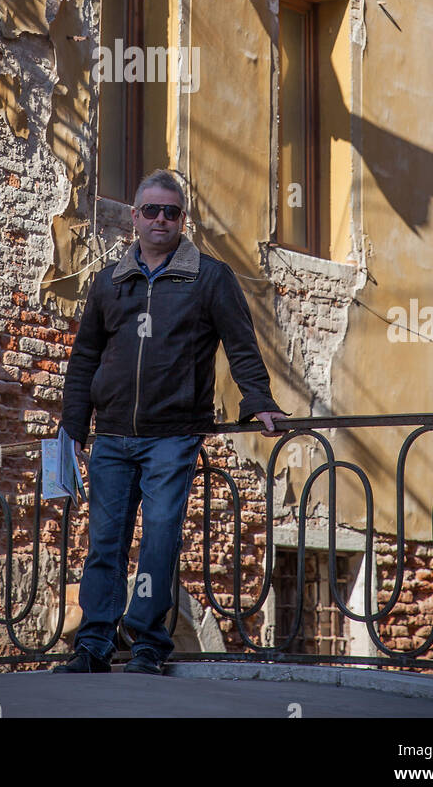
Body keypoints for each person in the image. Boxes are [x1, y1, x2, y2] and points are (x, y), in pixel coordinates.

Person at [53, 168, 285, 675]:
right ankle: (93, 644)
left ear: (183, 220)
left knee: (160, 539)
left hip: (172, 437)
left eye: (171, 212)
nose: (161, 219)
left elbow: (241, 345)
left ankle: (148, 644)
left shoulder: (209, 277)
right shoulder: (110, 281)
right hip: (112, 436)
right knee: (105, 542)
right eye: (152, 210)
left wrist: (258, 400)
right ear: (134, 218)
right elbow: (84, 357)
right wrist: (73, 425)